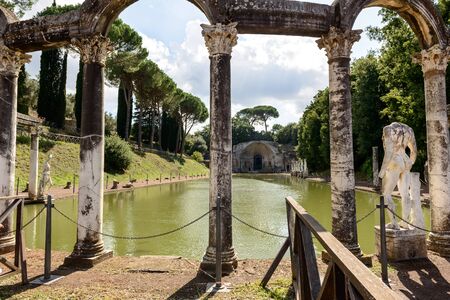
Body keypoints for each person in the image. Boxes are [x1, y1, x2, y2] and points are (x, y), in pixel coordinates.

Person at [379, 122, 417, 229]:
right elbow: (414, 151)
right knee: (405, 194)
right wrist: (410, 164)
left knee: (386, 194)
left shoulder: (388, 129)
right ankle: (405, 222)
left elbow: (389, 152)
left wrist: (382, 172)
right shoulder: (409, 130)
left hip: (395, 161)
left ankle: (394, 224)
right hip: (406, 160)